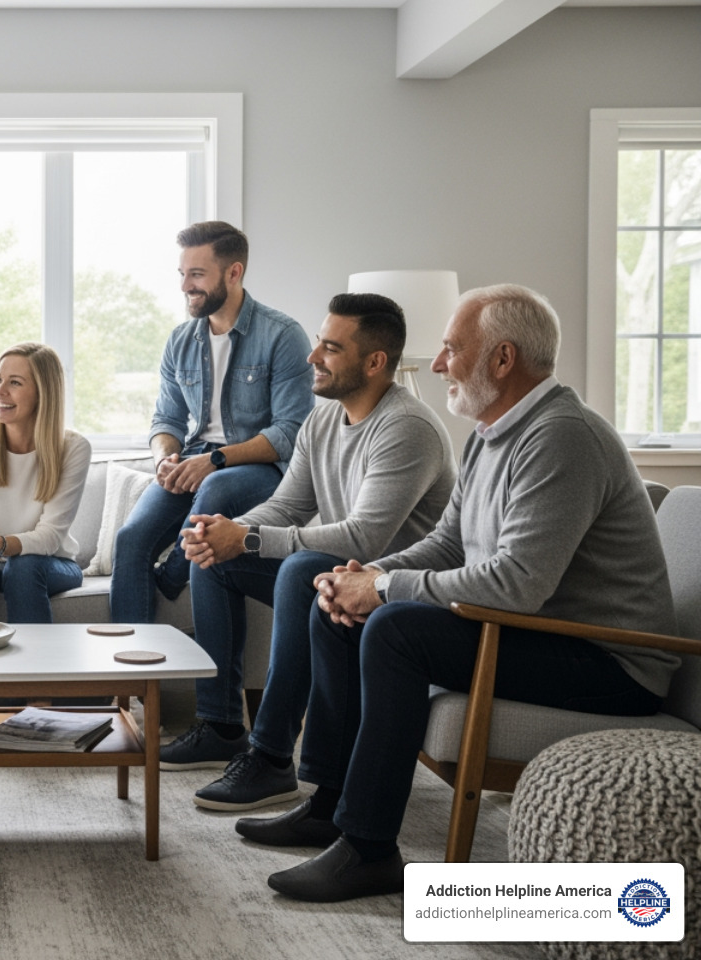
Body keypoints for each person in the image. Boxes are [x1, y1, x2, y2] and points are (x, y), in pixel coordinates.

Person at [242, 285, 680, 904]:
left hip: (607, 661)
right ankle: (330, 804)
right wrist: (361, 577)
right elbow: (449, 544)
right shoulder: (489, 433)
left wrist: (384, 589)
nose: (440, 364)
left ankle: (369, 848)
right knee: (342, 612)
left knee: (394, 628)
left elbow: (516, 584)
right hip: (531, 633)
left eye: (452, 348)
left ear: (502, 360)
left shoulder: (562, 437)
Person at [165, 293, 456, 801]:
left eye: (330, 347)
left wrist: (247, 537)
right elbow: (288, 506)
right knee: (214, 562)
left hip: (392, 589)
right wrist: (225, 532)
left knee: (300, 570)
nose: (312, 356)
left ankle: (273, 755)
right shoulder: (322, 420)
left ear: (374, 362)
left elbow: (365, 537)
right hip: (337, 577)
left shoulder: (406, 428)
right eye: (319, 342)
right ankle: (220, 725)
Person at [110, 221, 313, 625]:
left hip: (260, 469)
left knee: (215, 490)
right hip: (198, 460)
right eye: (182, 274)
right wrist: (165, 458)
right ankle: (129, 681)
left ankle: (171, 578)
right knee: (130, 539)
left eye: (197, 275)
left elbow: (290, 432)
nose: (186, 285)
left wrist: (215, 461)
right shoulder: (180, 341)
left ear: (234, 273)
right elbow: (166, 419)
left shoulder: (283, 335)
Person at [0, 343, 92, 623]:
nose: (0, 391)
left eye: (14, 383)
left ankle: (35, 666)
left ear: (43, 393)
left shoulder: (74, 448)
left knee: (22, 567)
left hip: (51, 563)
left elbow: (50, 537)